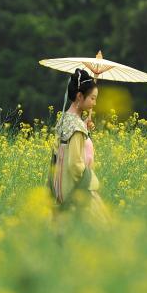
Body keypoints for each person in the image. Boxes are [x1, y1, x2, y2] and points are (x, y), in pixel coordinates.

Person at [47, 68, 111, 225]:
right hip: (76, 189)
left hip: (60, 186)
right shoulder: (76, 127)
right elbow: (75, 164)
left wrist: (84, 128)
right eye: (92, 98)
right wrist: (91, 183)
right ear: (79, 96)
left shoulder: (65, 120)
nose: (95, 103)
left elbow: (59, 154)